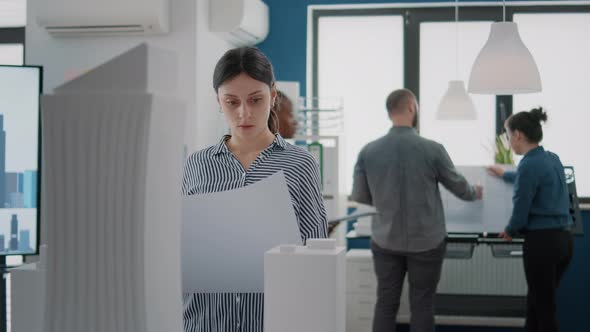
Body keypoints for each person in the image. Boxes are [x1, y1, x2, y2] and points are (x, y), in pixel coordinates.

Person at [182, 47, 328, 332]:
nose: (244, 113)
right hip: (206, 322)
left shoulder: (301, 164)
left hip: (274, 320)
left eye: (255, 100)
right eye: (231, 102)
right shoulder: (196, 165)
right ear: (218, 102)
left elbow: (316, 251)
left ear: (273, 97)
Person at [351, 88, 483, 332]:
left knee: (385, 304)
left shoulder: (368, 151)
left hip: (385, 241)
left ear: (390, 112)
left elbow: (361, 196)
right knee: (422, 305)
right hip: (427, 242)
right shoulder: (433, 149)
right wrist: (476, 192)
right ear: (412, 108)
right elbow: (460, 188)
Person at [487, 107, 573, 332]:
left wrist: (510, 230)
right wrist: (505, 174)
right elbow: (532, 178)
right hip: (564, 242)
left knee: (543, 308)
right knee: (536, 303)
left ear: (518, 135)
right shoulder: (551, 158)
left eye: (508, 135)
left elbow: (521, 208)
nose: (509, 141)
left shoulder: (528, 165)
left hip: (542, 244)